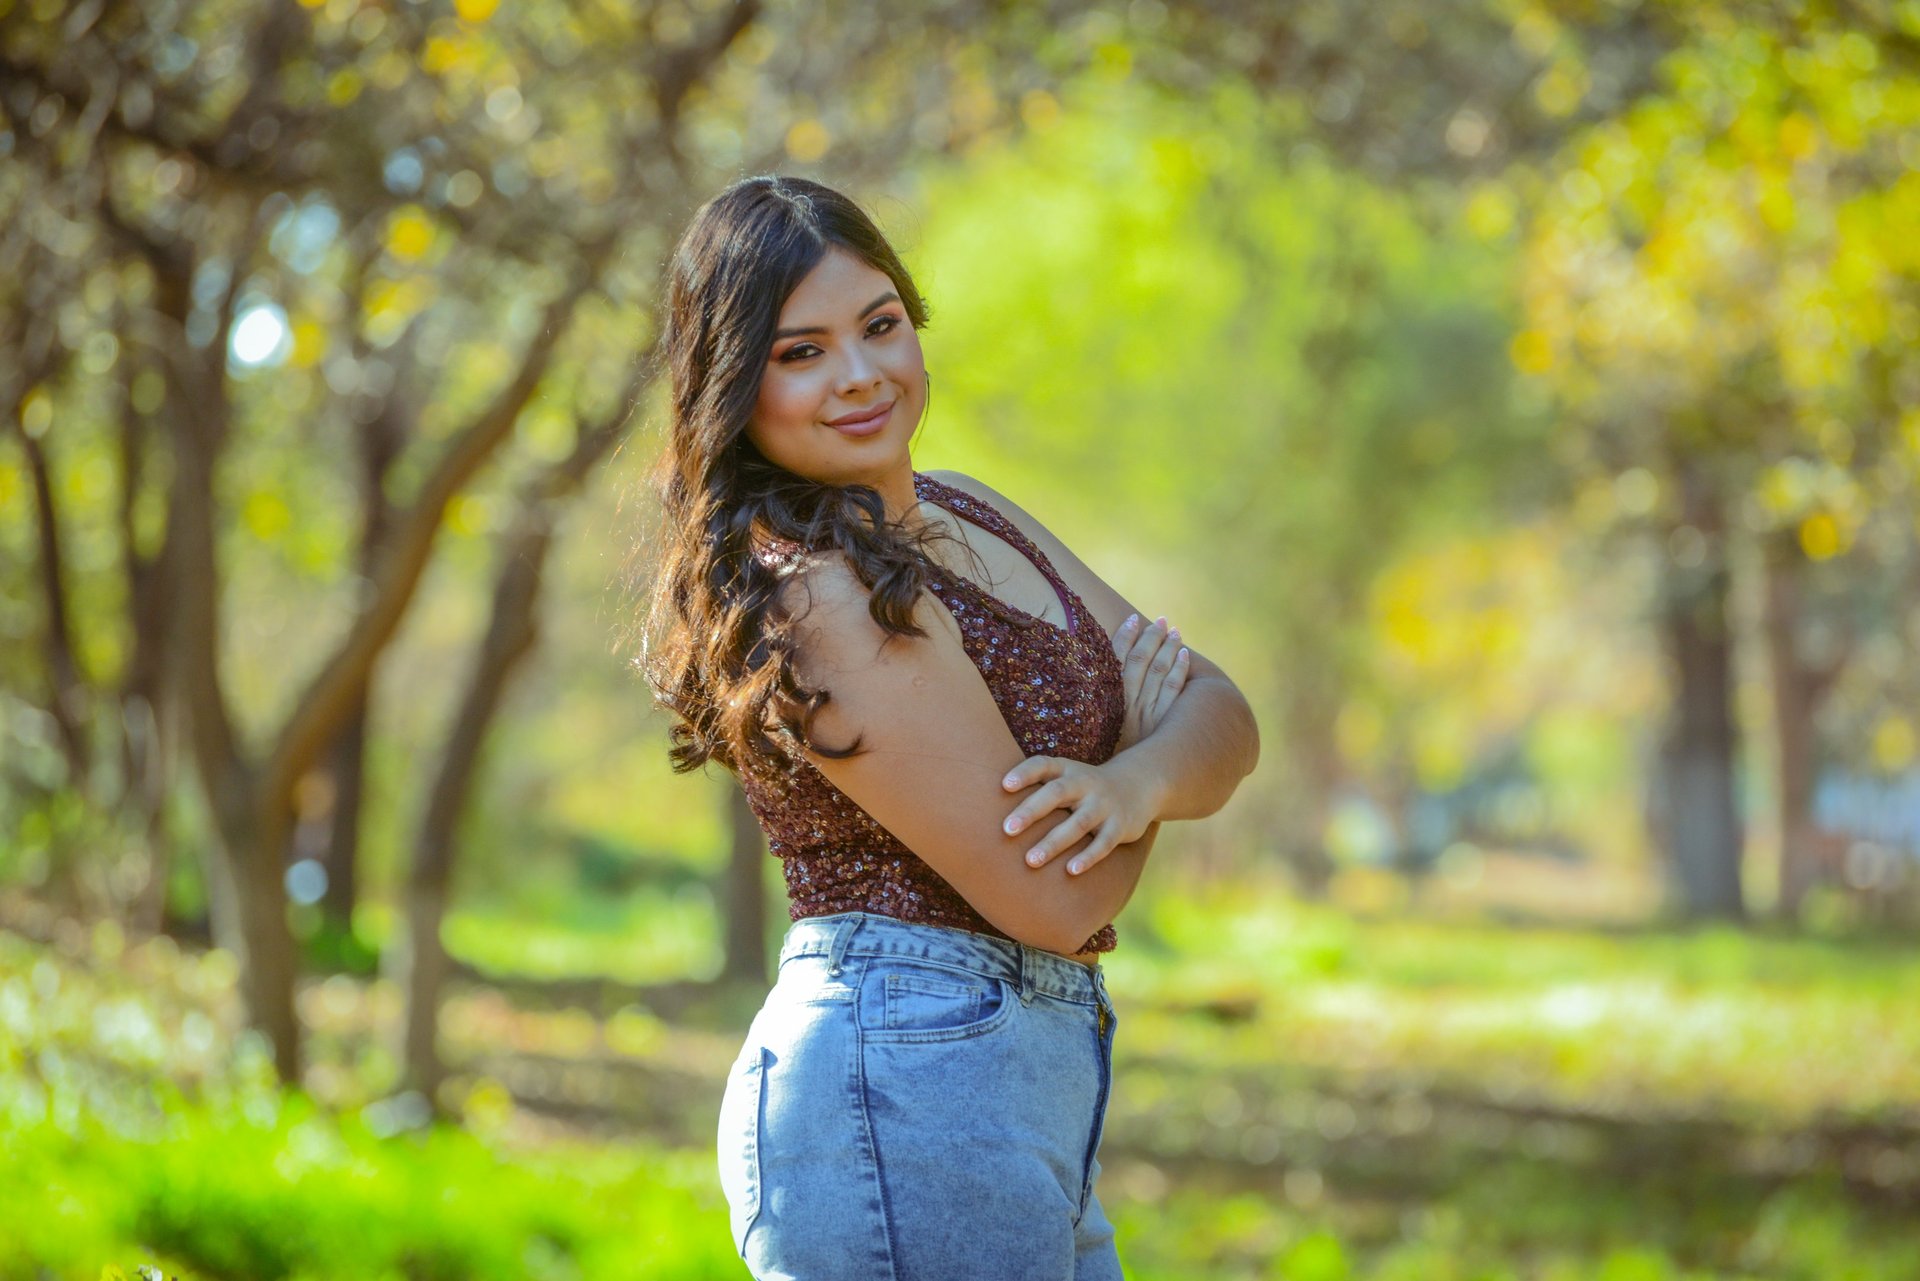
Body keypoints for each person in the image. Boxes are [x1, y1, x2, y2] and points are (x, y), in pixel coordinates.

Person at [638, 174, 1260, 1280]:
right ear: (733, 383)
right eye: (802, 351)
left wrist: (1133, 786)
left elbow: (1224, 713)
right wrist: (1147, 750)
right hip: (895, 1091)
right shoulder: (813, 594)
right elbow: (1052, 896)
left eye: (880, 326)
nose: (862, 375)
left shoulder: (973, 511)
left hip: (1013, 1091)